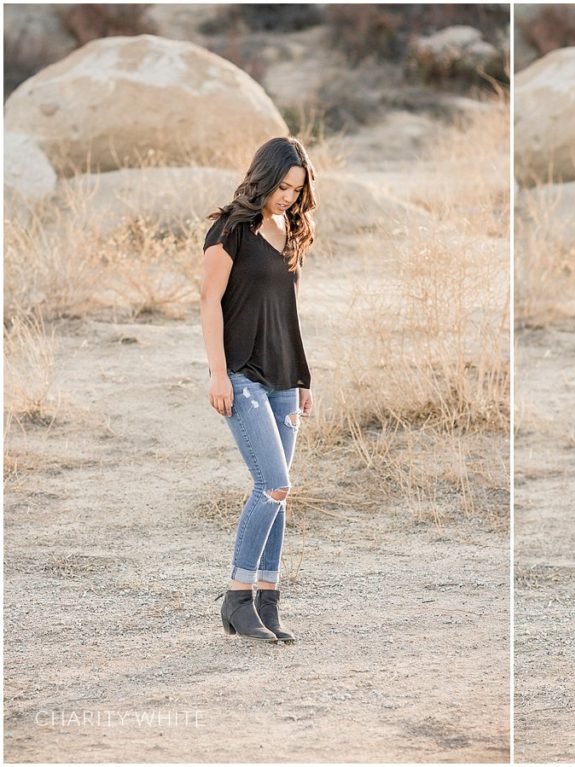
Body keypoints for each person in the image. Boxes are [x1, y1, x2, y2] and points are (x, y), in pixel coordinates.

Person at [199, 136, 318, 643]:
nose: (289, 197)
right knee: (272, 482)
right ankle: (236, 598)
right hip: (243, 374)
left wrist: (303, 376)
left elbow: (288, 311)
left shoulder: (289, 230)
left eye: (297, 188)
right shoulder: (229, 231)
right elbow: (208, 304)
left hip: (283, 378)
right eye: (282, 186)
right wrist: (218, 373)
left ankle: (267, 601)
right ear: (264, 177)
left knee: (280, 494)